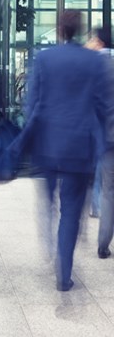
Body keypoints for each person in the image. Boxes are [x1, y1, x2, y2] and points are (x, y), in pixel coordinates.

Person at [21, 11, 109, 291]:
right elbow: (104, 106)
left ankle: (49, 242)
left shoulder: (44, 58)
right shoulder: (93, 61)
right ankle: (64, 272)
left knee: (48, 203)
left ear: (60, 30)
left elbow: (31, 102)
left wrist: (30, 134)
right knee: (71, 210)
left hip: (47, 145)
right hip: (77, 148)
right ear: (80, 31)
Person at [86, 27, 114, 259]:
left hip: (104, 138)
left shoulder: (92, 69)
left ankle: (103, 244)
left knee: (109, 191)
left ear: (99, 42)